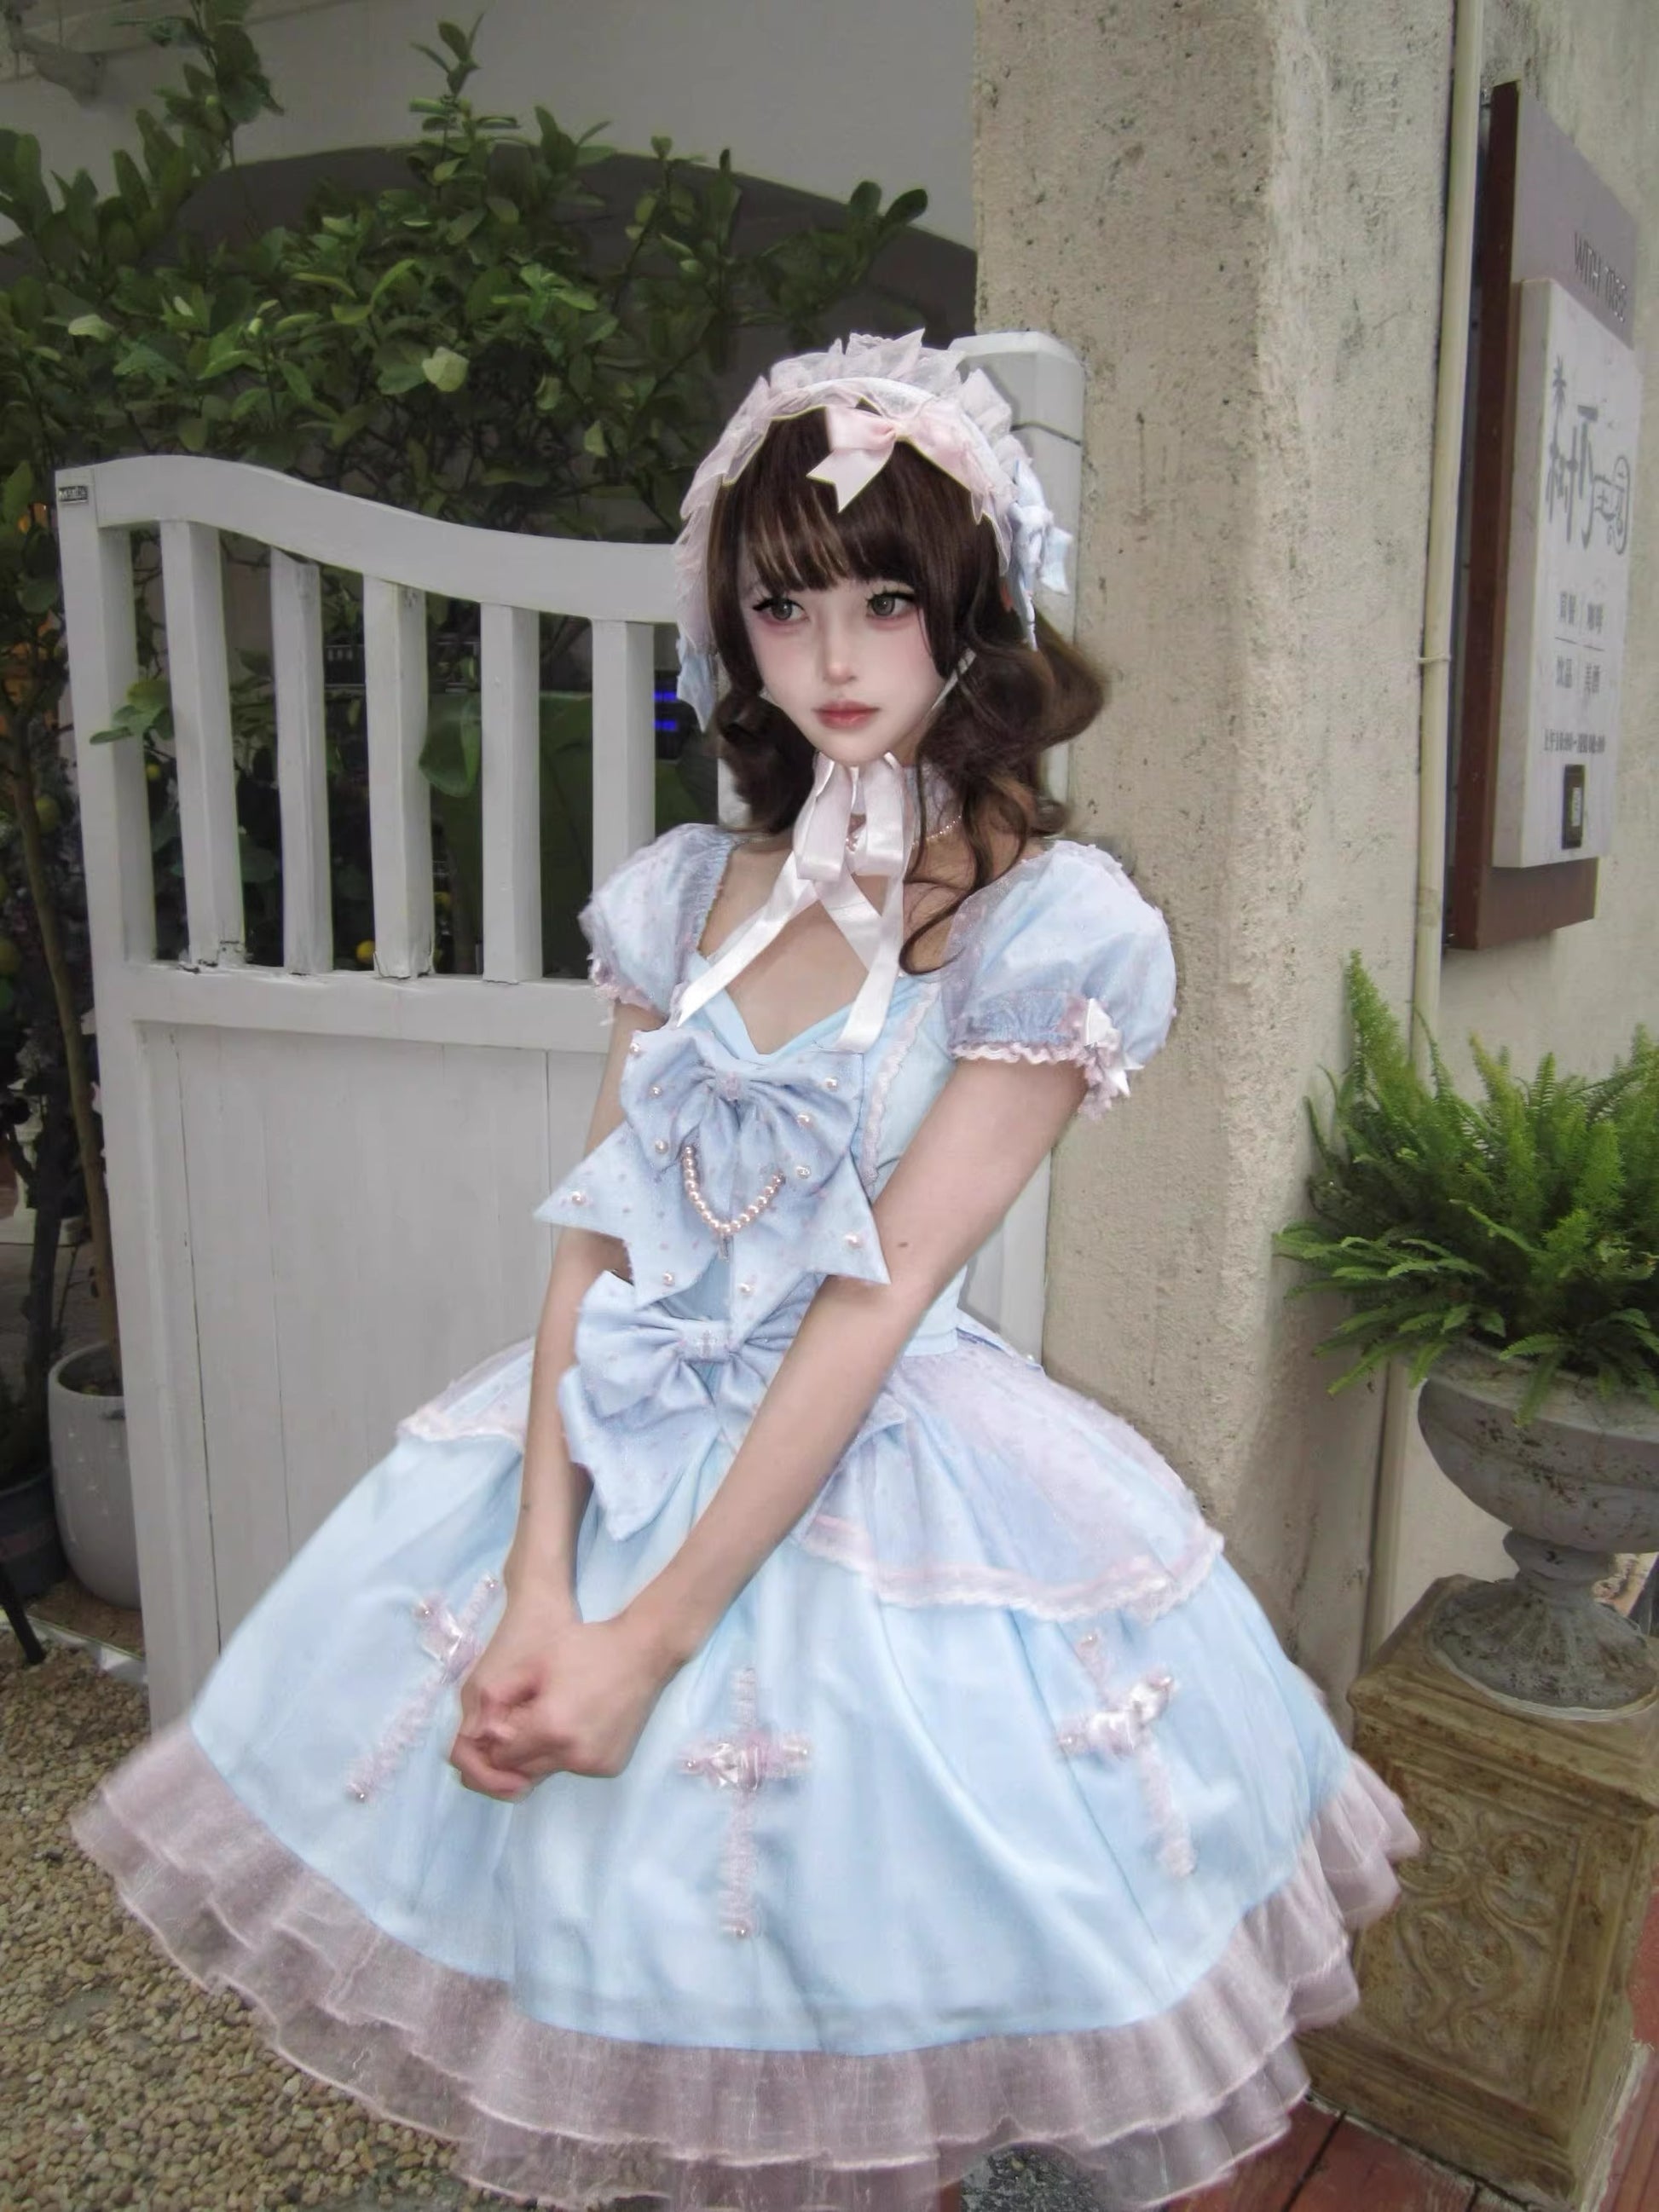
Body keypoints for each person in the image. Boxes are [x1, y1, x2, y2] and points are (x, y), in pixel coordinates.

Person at [72, 332, 1417, 2212]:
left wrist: (644, 1643)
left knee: (843, 1996)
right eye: (786, 607)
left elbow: (876, 1301)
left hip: (871, 1476)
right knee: (607, 1972)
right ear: (735, 630)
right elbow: (600, 1240)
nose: (836, 657)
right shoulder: (681, 892)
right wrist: (542, 1578)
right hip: (612, 1438)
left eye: (887, 600)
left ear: (972, 612)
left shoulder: (1049, 928)